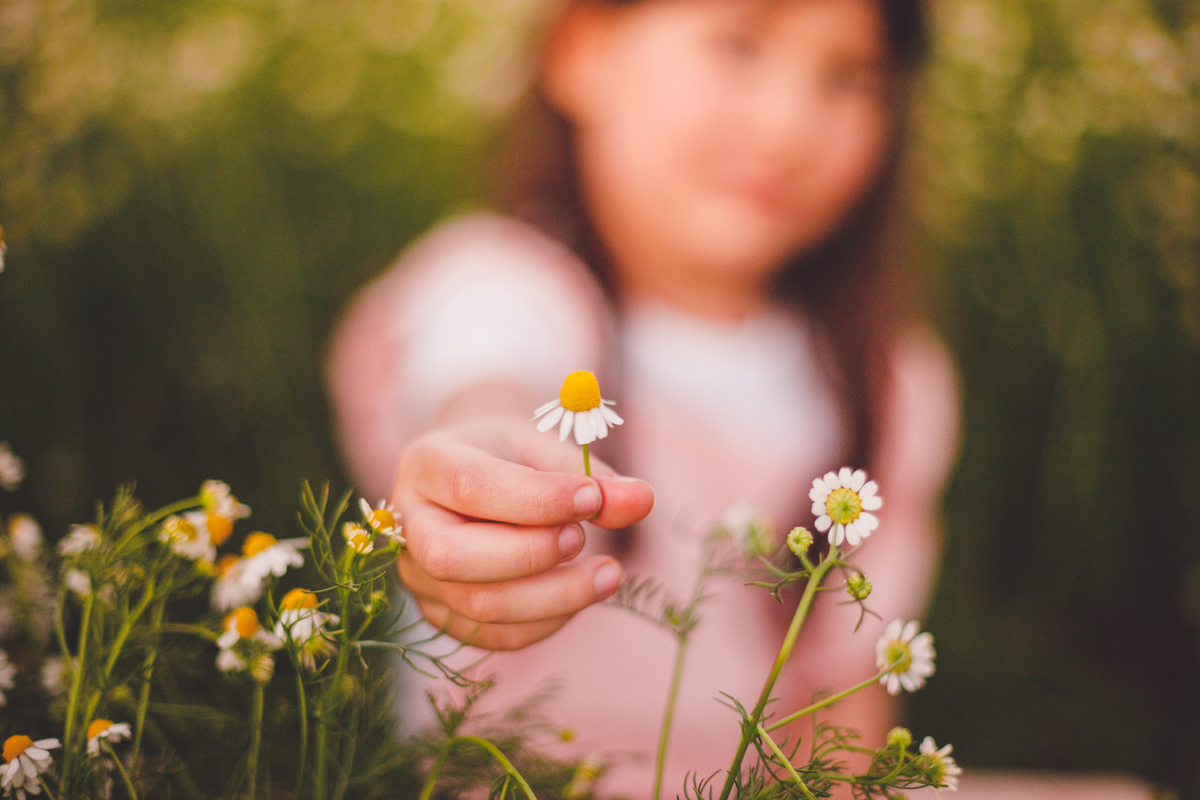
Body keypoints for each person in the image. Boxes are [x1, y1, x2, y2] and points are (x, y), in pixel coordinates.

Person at [326, 0, 960, 795]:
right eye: (739, 46)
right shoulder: (506, 284)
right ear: (583, 51)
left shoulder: (885, 381)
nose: (788, 127)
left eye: (850, 78)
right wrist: (483, 483)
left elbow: (845, 702)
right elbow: (482, 394)